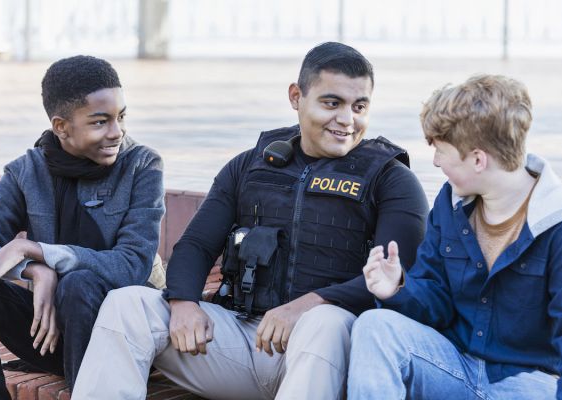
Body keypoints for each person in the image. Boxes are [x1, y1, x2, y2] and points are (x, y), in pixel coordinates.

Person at [71, 42, 429, 400]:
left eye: (360, 106)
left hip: (328, 355)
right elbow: (196, 244)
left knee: (326, 322)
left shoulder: (391, 179)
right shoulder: (250, 166)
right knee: (127, 304)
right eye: (331, 103)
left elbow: (400, 276)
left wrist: (308, 305)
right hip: (244, 341)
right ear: (296, 96)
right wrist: (183, 302)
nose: (347, 120)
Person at [348, 74, 562, 399]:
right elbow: (436, 299)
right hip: (452, 365)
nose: (435, 161)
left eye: (442, 151)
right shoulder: (450, 202)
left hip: (525, 383)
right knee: (375, 327)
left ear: (477, 159)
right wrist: (399, 286)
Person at [0, 55, 165, 399]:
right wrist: (34, 270)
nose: (117, 131)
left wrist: (38, 250)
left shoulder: (142, 165)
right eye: (100, 122)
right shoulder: (27, 171)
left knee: (79, 284)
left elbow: (132, 266)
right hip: (51, 332)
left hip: (128, 339)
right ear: (61, 126)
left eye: (121, 116)